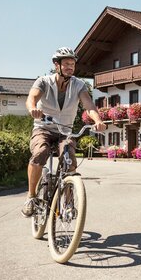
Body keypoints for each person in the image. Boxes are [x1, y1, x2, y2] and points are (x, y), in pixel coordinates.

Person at [21, 47, 106, 217]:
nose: (70, 67)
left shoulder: (79, 85)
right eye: (66, 63)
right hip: (43, 128)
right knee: (40, 152)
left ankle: (68, 203)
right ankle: (31, 197)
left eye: (72, 64)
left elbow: (88, 105)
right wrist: (32, 109)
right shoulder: (43, 81)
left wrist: (97, 120)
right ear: (56, 65)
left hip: (65, 132)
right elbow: (32, 98)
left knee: (69, 161)